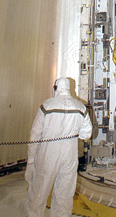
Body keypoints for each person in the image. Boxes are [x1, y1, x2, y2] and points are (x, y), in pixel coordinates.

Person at [25, 77, 92, 217]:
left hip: (48, 153)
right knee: (64, 193)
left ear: (56, 88)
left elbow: (35, 134)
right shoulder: (80, 107)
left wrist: (31, 159)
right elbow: (87, 133)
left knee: (39, 191)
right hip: (70, 153)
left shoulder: (47, 105)